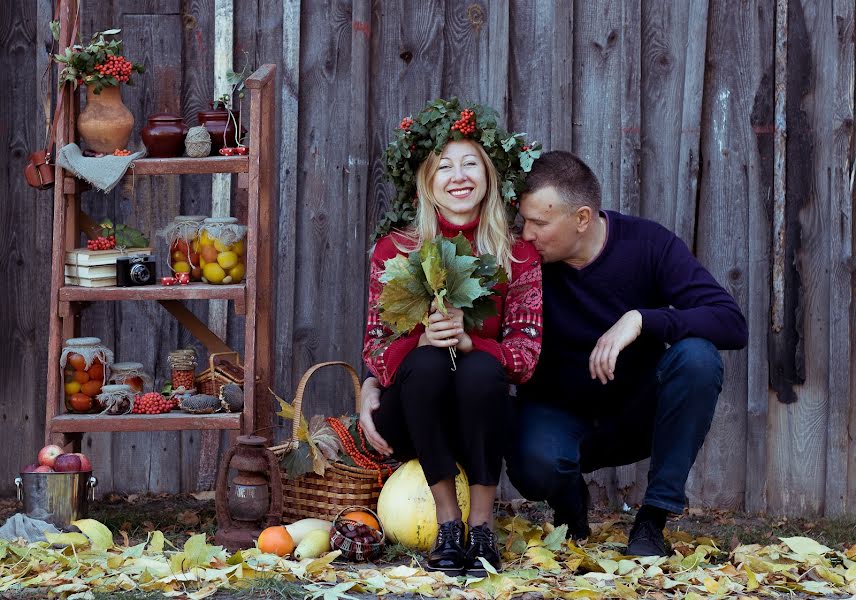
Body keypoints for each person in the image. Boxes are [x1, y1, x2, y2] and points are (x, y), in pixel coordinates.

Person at [363, 150, 748, 558]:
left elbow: (730, 322)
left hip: (637, 411)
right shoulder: (516, 258)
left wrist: (641, 319)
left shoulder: (648, 245)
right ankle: (569, 505)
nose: (526, 233)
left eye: (539, 223)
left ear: (582, 219)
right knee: (537, 464)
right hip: (555, 415)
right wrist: (376, 376)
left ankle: (653, 519)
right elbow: (401, 327)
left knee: (698, 359)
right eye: (523, 220)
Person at [361, 99, 543, 576]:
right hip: (417, 416)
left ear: (488, 177)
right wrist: (418, 342)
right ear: (427, 181)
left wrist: (471, 341)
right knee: (428, 364)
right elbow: (375, 348)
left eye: (470, 164)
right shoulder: (396, 250)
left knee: (484, 368)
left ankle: (481, 525)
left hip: (480, 419)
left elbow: (524, 356)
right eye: (444, 167)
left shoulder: (517, 255)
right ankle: (447, 521)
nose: (458, 176)